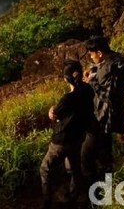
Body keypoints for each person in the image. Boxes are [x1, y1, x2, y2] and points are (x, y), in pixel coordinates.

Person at [40, 60, 95, 209]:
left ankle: (47, 202)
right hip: (78, 137)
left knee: (45, 168)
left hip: (61, 140)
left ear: (66, 79)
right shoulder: (88, 90)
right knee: (74, 168)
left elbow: (55, 115)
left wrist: (51, 110)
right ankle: (74, 198)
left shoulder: (68, 98)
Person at [82, 36, 124, 186]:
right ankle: (107, 182)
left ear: (99, 53)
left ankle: (102, 186)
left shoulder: (112, 67)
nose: (91, 57)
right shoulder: (116, 59)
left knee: (95, 152)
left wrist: (92, 83)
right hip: (106, 112)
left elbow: (109, 96)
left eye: (92, 54)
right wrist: (94, 70)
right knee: (104, 148)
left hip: (106, 114)